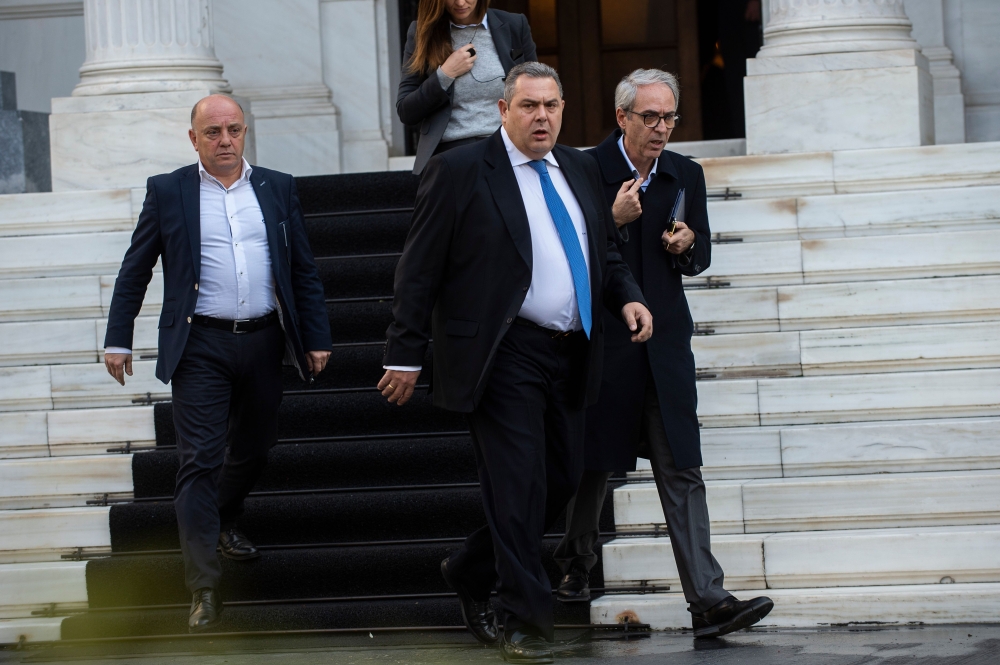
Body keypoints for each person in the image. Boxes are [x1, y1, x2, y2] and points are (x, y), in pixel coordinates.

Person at [379, 62, 652, 663]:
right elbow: (418, 267)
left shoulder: (580, 166)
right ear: (504, 110)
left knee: (560, 477)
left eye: (551, 105)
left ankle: (472, 565)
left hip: (571, 349)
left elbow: (602, 247)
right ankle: (524, 620)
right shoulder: (460, 170)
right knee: (519, 484)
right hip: (502, 353)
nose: (542, 117)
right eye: (529, 106)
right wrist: (405, 352)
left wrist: (627, 295)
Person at [551, 69, 773, 638]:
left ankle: (709, 600)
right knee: (594, 463)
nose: (661, 128)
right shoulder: (582, 169)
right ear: (621, 116)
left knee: (681, 464)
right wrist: (614, 219)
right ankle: (575, 564)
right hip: (605, 339)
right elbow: (568, 249)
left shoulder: (684, 173)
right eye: (649, 116)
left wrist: (689, 243)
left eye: (669, 117)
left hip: (666, 341)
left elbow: (698, 261)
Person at [102, 95, 332, 633]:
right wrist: (118, 338)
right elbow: (134, 270)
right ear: (194, 138)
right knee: (199, 458)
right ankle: (203, 587)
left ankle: (225, 514)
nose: (224, 140)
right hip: (199, 343)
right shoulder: (168, 190)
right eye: (212, 132)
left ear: (245, 132)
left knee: (256, 445)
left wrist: (315, 336)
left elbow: (302, 268)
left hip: (262, 339)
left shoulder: (277, 186)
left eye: (232, 130)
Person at [397, 0, 536, 174]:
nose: (460, 3)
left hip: (507, 150)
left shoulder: (514, 25)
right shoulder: (422, 32)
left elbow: (535, 93)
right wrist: (445, 74)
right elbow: (406, 110)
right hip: (451, 156)